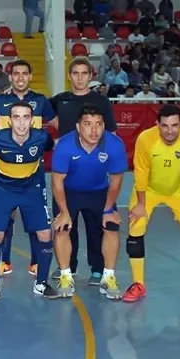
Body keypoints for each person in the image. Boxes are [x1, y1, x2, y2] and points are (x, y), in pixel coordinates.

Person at [124, 104, 180, 305]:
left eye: (174, 126)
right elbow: (140, 172)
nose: (170, 131)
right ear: (157, 125)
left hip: (177, 191)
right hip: (149, 191)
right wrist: (141, 204)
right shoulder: (146, 139)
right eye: (164, 126)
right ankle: (138, 284)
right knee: (137, 225)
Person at [0, 101, 58, 299]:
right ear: (9, 121)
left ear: (32, 120)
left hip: (31, 189)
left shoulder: (42, 138)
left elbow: (53, 147)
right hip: (2, 189)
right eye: (16, 117)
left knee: (45, 234)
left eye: (26, 117)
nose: (21, 123)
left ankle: (41, 283)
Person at [49, 57, 117, 286]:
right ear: (69, 76)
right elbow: (34, 106)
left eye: (84, 73)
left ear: (91, 75)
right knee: (67, 225)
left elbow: (111, 134)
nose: (79, 77)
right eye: (75, 73)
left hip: (93, 173)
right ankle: (68, 268)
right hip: (68, 171)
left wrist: (104, 159)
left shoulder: (101, 101)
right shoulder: (61, 100)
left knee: (96, 226)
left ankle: (98, 270)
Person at [51, 105, 128, 300]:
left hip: (99, 191)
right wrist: (63, 212)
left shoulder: (114, 144)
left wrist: (109, 208)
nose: (94, 130)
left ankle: (108, 277)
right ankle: (66, 276)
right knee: (62, 227)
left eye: (99, 124)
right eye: (87, 124)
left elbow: (116, 179)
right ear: (78, 127)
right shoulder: (65, 145)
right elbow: (57, 181)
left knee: (111, 226)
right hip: (69, 191)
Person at [0, 59, 57, 279]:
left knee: (35, 219)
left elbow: (57, 124)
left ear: (30, 76)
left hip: (33, 169)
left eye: (24, 73)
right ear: (10, 77)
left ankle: (36, 262)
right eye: (16, 73)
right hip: (6, 170)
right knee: (5, 218)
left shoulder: (40, 101)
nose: (20, 77)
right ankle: (5, 261)